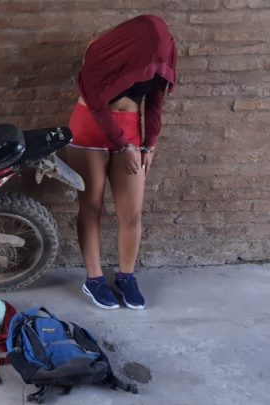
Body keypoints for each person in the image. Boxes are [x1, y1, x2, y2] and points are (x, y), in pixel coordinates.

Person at [66, 15, 177, 310]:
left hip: (129, 128)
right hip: (90, 126)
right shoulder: (99, 49)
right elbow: (96, 103)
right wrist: (123, 146)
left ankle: (126, 276)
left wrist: (149, 144)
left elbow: (155, 102)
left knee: (132, 213)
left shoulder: (159, 53)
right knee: (91, 206)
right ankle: (94, 279)